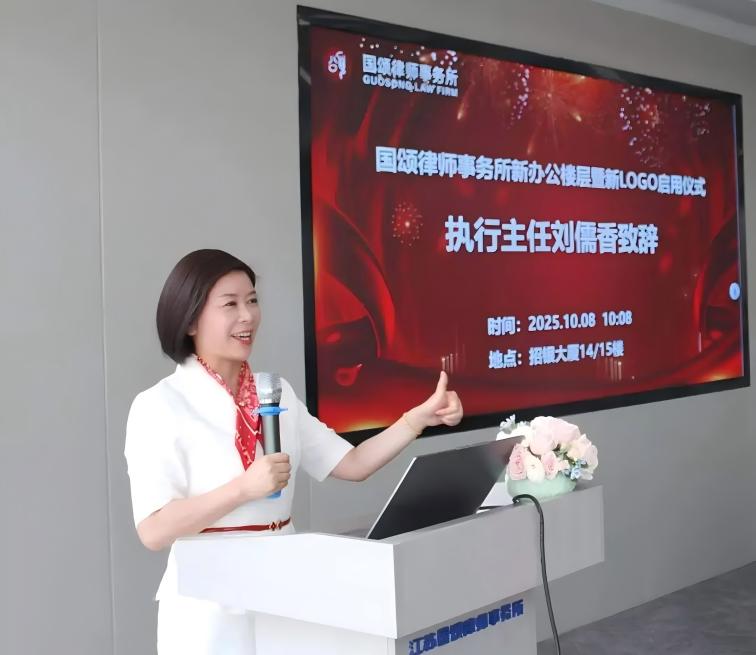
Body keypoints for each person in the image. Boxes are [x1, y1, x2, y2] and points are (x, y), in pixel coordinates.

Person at [124, 249, 463, 654]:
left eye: (252, 300)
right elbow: (154, 529)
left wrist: (415, 420)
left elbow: (352, 463)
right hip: (208, 606)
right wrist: (243, 489)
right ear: (191, 319)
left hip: (286, 588)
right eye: (230, 304)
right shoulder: (160, 405)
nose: (248, 316)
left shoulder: (276, 392)